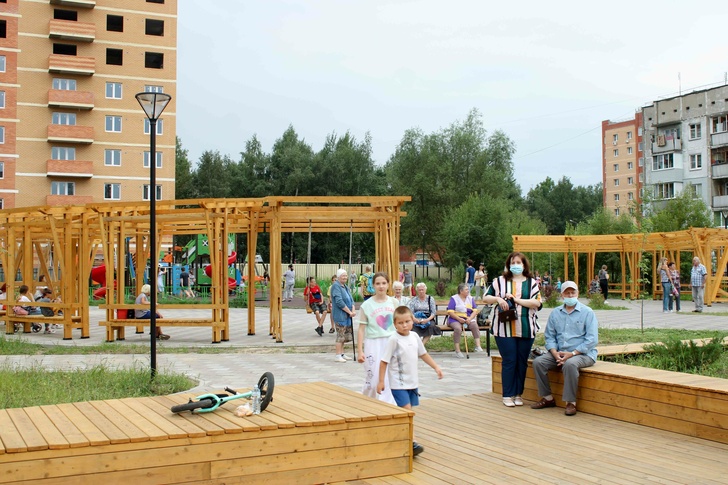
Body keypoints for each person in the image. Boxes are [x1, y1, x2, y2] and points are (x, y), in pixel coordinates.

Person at [377, 306, 443, 457]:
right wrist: (381, 381)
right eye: (400, 323)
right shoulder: (393, 339)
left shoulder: (414, 337)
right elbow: (384, 361)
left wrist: (436, 367)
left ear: (412, 321)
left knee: (407, 412)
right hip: (398, 383)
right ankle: (412, 442)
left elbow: (423, 354)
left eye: (407, 321)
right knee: (408, 412)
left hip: (412, 383)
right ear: (395, 324)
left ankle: (400, 435)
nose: (404, 325)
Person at [482, 251, 542, 407]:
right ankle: (507, 394)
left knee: (522, 362)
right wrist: (498, 298)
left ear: (524, 265)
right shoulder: (499, 281)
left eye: (518, 263)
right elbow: (485, 298)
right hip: (504, 328)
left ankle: (518, 393)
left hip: (526, 327)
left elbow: (537, 303)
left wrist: (516, 300)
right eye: (513, 263)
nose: (516, 265)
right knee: (509, 360)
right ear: (508, 265)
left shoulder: (532, 283)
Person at [531, 281, 598, 416]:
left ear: (578, 293)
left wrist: (572, 353)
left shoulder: (587, 312)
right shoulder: (555, 313)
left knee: (570, 364)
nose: (570, 295)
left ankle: (570, 402)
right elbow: (549, 336)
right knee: (538, 362)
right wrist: (554, 353)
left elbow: (592, 339)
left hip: (583, 354)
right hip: (559, 352)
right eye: (567, 293)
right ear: (562, 295)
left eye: (573, 292)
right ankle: (547, 398)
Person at [357, 272, 397, 404]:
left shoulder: (394, 302)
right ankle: (369, 400)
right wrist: (360, 351)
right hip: (373, 343)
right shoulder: (366, 305)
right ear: (373, 285)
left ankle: (390, 403)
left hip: (391, 341)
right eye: (378, 283)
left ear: (388, 284)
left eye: (384, 283)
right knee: (373, 376)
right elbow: (361, 329)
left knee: (390, 374)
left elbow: (400, 323)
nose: (381, 286)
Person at [446, 283, 483, 358]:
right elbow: (450, 312)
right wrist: (459, 319)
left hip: (468, 319)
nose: (468, 291)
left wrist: (470, 318)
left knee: (474, 325)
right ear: (461, 291)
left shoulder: (470, 298)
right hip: (455, 319)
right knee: (458, 328)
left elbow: (475, 311)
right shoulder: (454, 298)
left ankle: (478, 346)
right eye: (466, 289)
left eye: (468, 289)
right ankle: (457, 350)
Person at [330, 269, 356, 363]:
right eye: (343, 276)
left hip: (347, 315)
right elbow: (339, 301)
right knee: (340, 335)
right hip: (340, 315)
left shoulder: (345, 287)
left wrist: (353, 310)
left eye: (346, 275)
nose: (345, 277)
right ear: (338, 277)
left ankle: (342, 353)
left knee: (344, 335)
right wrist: (349, 311)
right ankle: (337, 355)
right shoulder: (335, 286)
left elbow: (351, 300)